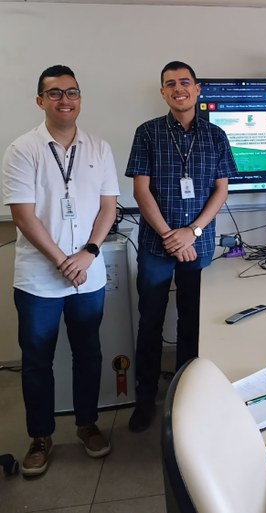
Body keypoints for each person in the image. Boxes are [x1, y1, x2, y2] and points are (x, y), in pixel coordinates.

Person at [2, 65, 119, 476]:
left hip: (88, 272)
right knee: (37, 359)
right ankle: (40, 435)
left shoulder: (99, 148)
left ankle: (87, 424)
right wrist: (60, 260)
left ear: (80, 98)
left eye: (71, 92)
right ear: (40, 101)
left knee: (89, 353)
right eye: (54, 93)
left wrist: (87, 252)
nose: (64, 99)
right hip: (39, 277)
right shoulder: (22, 149)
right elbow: (23, 214)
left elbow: (108, 207)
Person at [125, 61, 236, 433]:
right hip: (156, 247)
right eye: (170, 84)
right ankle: (145, 398)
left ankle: (190, 395)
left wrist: (193, 231)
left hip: (198, 246)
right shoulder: (147, 133)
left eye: (184, 82)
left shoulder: (216, 135)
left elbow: (221, 189)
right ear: (163, 92)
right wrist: (172, 236)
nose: (178, 88)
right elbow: (141, 191)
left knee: (194, 322)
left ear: (197, 88)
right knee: (151, 322)